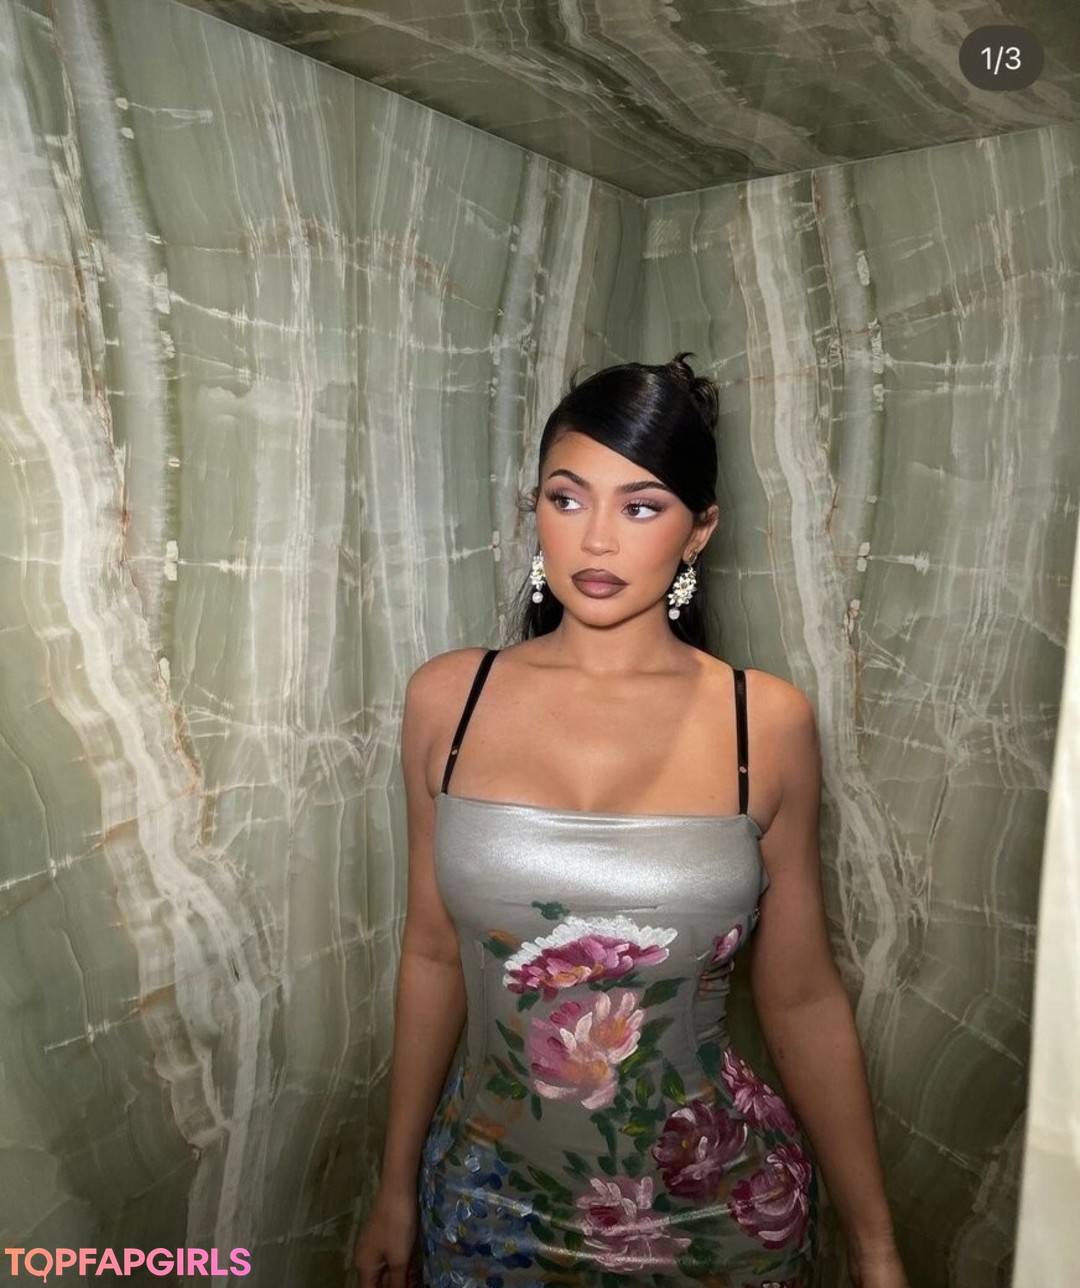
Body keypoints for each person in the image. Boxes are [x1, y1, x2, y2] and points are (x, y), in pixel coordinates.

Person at [354, 355, 908, 1288]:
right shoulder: (450, 699)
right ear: (535, 509)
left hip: (717, 1213)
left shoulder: (764, 723)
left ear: (700, 531)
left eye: (641, 507)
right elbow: (434, 954)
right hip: (488, 1208)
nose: (597, 538)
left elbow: (802, 997)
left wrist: (876, 1246)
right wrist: (394, 1188)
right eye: (568, 499)